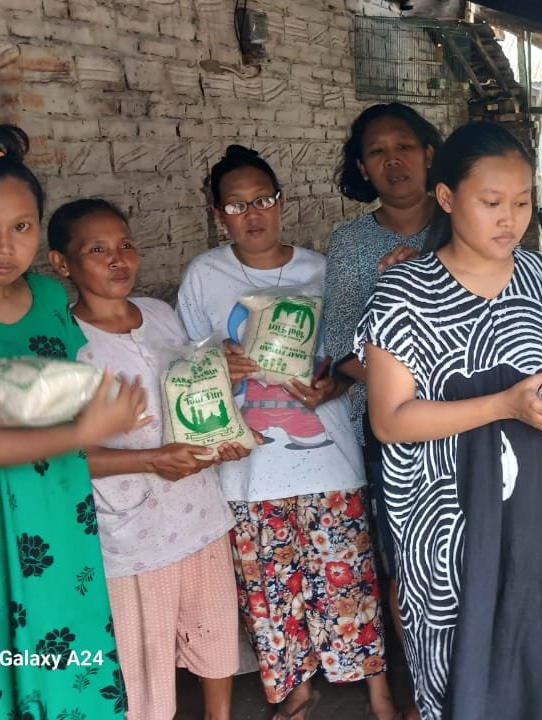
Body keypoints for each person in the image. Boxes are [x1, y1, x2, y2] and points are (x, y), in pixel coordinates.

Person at [354, 121, 542, 720]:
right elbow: (390, 421)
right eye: (491, 202)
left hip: (541, 515)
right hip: (443, 529)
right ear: (447, 198)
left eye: (521, 203)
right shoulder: (402, 294)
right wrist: (502, 406)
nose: (509, 219)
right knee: (461, 668)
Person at [176, 145, 398, 720]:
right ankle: (295, 687)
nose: (254, 215)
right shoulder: (205, 275)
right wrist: (217, 362)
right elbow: (182, 364)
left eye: (264, 200)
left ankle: (377, 686)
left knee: (347, 576)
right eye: (237, 205)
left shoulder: (320, 269)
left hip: (327, 455)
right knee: (271, 591)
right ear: (217, 212)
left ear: (282, 201)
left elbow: (356, 355)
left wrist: (336, 387)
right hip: (247, 465)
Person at [0, 123, 147, 719]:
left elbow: (62, 388)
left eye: (22, 228)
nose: (5, 246)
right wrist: (81, 434)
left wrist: (102, 405)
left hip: (57, 514)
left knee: (67, 651)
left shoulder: (46, 298)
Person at [48, 198, 250, 720]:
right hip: (130, 533)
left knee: (214, 633)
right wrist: (150, 460)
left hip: (198, 512)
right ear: (61, 263)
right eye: (98, 250)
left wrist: (222, 397)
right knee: (144, 661)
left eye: (126, 246)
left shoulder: (160, 315)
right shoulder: (65, 344)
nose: (119, 260)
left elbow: (189, 395)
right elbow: (64, 455)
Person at [324, 105, 445, 719]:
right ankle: (423, 685)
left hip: (473, 417)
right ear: (363, 167)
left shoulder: (464, 222)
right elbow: (337, 345)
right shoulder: (352, 243)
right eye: (377, 151)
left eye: (405, 145)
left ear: (430, 153)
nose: (393, 160)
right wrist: (400, 384)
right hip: (391, 435)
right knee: (405, 562)